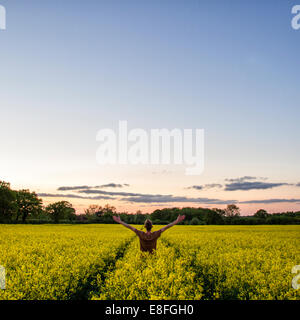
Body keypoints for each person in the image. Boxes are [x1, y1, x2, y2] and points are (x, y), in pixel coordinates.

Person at [112, 215, 185, 253]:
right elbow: (167, 227)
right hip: (153, 258)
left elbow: (130, 227)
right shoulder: (155, 234)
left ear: (145, 227)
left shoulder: (141, 234)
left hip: (142, 258)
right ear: (152, 226)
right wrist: (176, 221)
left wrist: (120, 221)